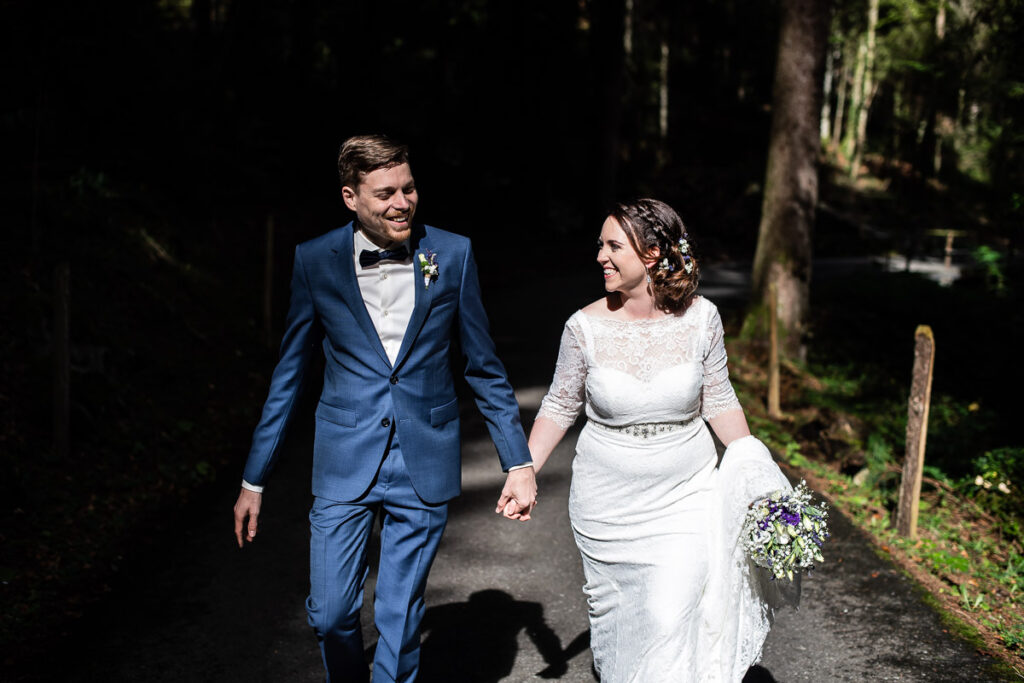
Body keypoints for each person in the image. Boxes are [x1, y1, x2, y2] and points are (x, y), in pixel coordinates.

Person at [233, 134, 538, 682]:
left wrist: (517, 462)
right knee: (330, 615)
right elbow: (290, 376)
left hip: (425, 456)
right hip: (344, 459)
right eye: (385, 194)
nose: (403, 203)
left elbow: (484, 367)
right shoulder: (313, 261)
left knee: (398, 620)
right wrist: (254, 480)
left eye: (409, 188)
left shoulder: (452, 253)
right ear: (351, 197)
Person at [524, 199, 792, 681]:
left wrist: (756, 478)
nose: (600, 256)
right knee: (628, 624)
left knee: (671, 614)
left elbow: (720, 400)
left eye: (613, 246)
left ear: (651, 254)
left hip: (684, 494)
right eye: (600, 245)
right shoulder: (582, 327)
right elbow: (559, 405)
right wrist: (524, 472)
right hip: (606, 504)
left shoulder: (702, 318)